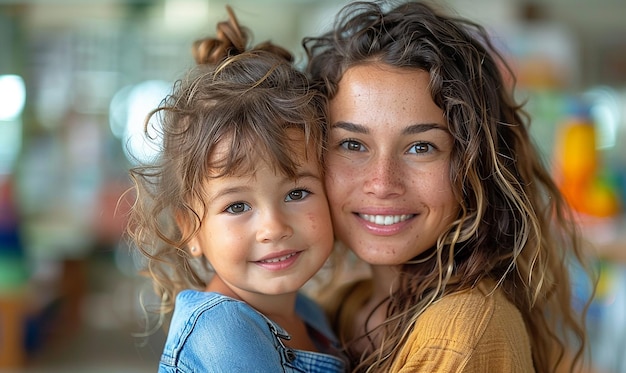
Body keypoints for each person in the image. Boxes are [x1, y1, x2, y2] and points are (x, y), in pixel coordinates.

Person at [304, 1, 593, 372]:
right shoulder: (335, 309)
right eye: (352, 144)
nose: (382, 183)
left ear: (477, 168)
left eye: (421, 147)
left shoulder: (462, 334)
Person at [127, 6, 345, 372]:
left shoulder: (308, 314)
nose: (274, 227)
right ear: (190, 230)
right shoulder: (223, 333)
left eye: (296, 193)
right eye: (237, 206)